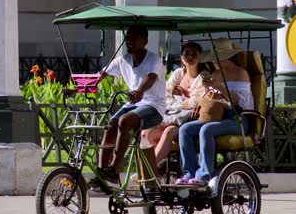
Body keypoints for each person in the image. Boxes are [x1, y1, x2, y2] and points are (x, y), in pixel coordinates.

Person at [176, 38, 254, 186]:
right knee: (185, 129)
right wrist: (207, 91)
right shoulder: (216, 74)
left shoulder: (241, 73)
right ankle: (188, 173)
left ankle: (204, 175)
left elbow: (237, 102)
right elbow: (217, 100)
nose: (212, 62)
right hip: (217, 116)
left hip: (237, 119)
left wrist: (220, 88)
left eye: (215, 59)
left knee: (206, 129)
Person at [94, 26, 166, 185]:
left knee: (124, 121)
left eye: (134, 37)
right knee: (110, 127)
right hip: (134, 105)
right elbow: (101, 75)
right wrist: (77, 88)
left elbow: (151, 77)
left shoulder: (153, 59)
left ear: (145, 41)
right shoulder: (122, 60)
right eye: (128, 37)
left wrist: (139, 91)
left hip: (154, 107)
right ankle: (101, 173)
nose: (129, 41)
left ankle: (114, 170)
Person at [141, 42, 206, 175]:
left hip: (190, 118)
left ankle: (147, 172)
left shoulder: (203, 76)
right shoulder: (178, 73)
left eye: (194, 54)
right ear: (181, 58)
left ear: (200, 57)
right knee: (146, 133)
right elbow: (165, 96)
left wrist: (180, 97)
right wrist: (183, 101)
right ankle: (153, 169)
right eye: (187, 54)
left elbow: (196, 102)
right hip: (172, 115)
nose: (190, 57)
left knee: (169, 131)